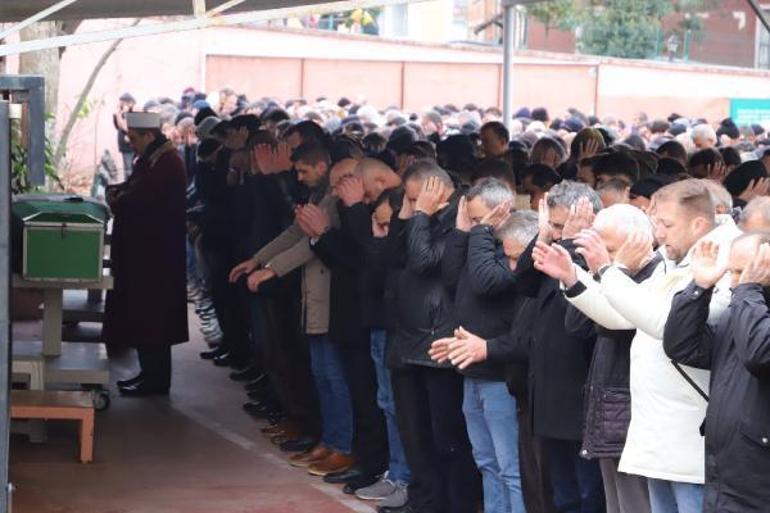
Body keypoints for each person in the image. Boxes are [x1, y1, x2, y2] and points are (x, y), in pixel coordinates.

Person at [552, 179, 739, 513]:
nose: (659, 234)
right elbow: (620, 315)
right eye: (657, 224)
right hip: (657, 432)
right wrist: (574, 278)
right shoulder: (677, 257)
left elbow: (668, 326)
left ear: (698, 223)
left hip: (691, 433)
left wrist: (609, 270)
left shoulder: (722, 259)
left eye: (666, 225)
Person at [231, 143, 356, 476]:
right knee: (322, 373)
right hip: (313, 300)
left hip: (331, 302)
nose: (339, 184)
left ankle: (341, 445)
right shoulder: (323, 198)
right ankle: (330, 441)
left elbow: (307, 246)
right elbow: (295, 234)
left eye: (348, 178)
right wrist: (259, 259)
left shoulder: (341, 206)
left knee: (334, 376)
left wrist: (272, 270)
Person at [532, 204, 658, 513]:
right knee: (615, 501)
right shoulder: (607, 271)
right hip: (607, 404)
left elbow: (614, 326)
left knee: (636, 502)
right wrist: (579, 276)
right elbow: (576, 326)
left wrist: (614, 272)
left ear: (639, 240)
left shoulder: (655, 273)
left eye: (610, 248)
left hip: (633, 406)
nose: (604, 256)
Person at [386, 161, 480, 513]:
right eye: (408, 201)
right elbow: (395, 258)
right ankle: (424, 501)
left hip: (439, 339)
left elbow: (425, 261)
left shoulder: (461, 218)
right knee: (414, 432)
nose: (412, 206)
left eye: (415, 199)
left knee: (446, 437)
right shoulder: (420, 219)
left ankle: (453, 504)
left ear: (436, 190)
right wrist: (410, 215)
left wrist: (421, 217)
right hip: (409, 338)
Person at [430, 178, 524, 513]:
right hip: (473, 370)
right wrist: (460, 230)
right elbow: (453, 277)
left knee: (509, 466)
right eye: (470, 218)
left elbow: (486, 283)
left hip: (500, 374)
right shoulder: (476, 242)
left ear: (502, 212)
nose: (474, 225)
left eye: (479, 218)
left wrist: (482, 231)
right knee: (485, 460)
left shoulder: (514, 248)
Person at [514, 181, 606, 513]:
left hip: (580, 393)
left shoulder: (596, 254)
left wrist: (569, 240)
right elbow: (523, 280)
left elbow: (579, 316)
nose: (556, 232)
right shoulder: (551, 246)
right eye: (552, 225)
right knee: (562, 491)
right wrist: (542, 235)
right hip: (551, 393)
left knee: (588, 493)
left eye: (560, 224)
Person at [663, 233, 770, 513]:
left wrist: (749, 291)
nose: (735, 281)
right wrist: (699, 288)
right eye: (732, 272)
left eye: (744, 271)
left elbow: (760, 354)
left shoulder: (749, 305)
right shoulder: (745, 309)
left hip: (759, 482)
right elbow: (682, 346)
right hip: (726, 476)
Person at [103, 111, 189, 396]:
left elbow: (141, 199)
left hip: (157, 257)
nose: (131, 144)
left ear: (149, 135)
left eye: (134, 138)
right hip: (147, 254)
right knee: (145, 318)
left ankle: (156, 379)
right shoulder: (153, 159)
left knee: (155, 320)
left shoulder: (167, 163)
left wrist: (118, 198)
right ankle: (148, 373)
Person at [113, 92, 136, 179]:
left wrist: (121, 114)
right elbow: (118, 126)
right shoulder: (123, 114)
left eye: (123, 102)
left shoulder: (133, 114)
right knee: (127, 170)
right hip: (124, 147)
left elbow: (126, 128)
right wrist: (119, 113)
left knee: (129, 171)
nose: (121, 105)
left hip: (130, 147)